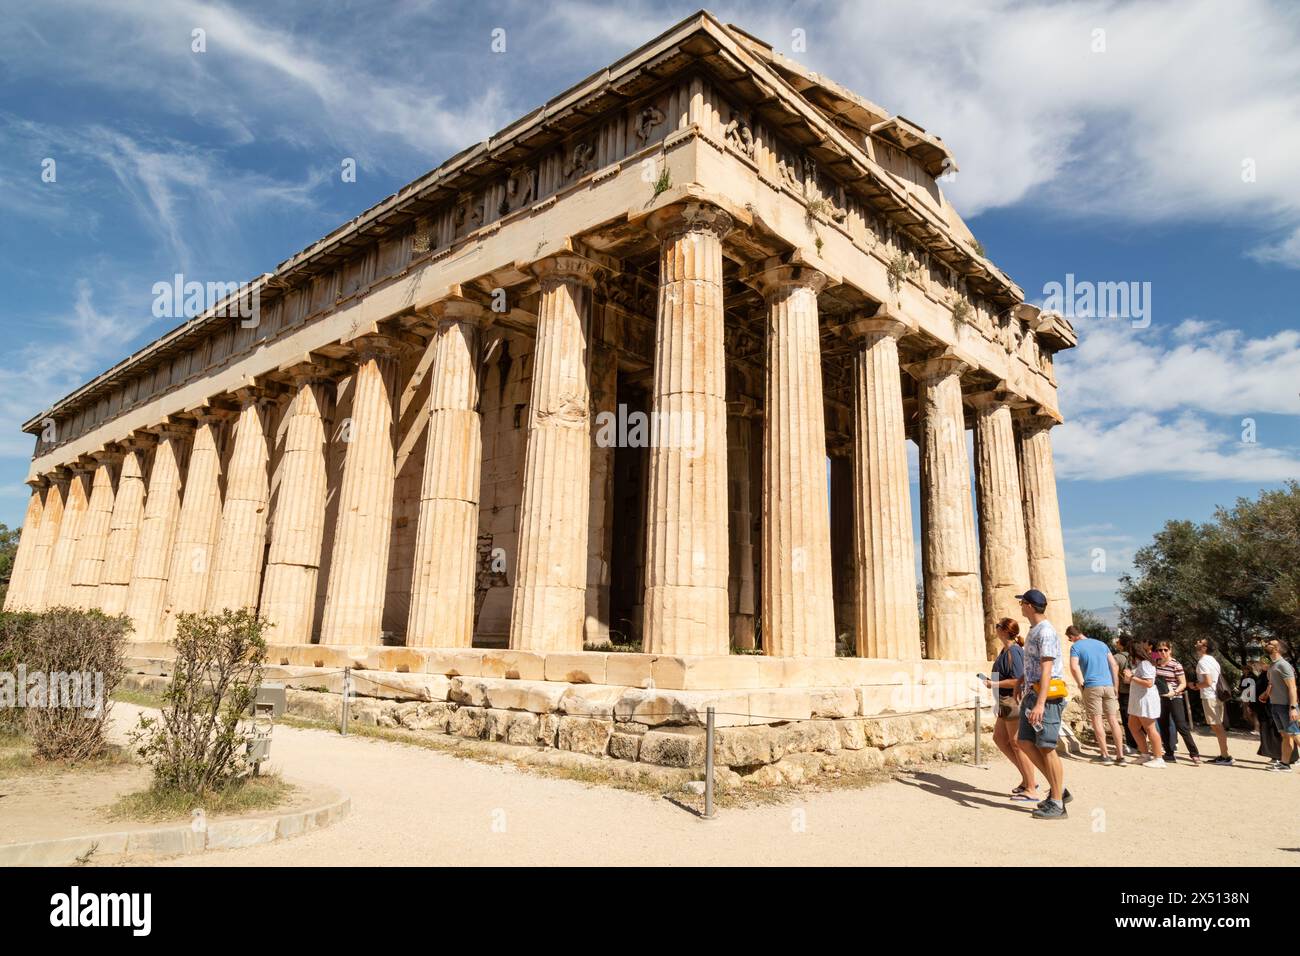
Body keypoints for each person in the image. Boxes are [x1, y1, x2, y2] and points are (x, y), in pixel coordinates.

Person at [1014, 588, 1070, 819]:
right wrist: (1021, 680)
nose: (1020, 607)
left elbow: (1047, 668)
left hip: (1045, 697)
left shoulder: (1045, 632)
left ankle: (1057, 803)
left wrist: (1040, 703)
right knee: (1024, 742)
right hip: (1032, 692)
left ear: (1029, 605)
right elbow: (1035, 664)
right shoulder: (1034, 630)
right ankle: (1059, 789)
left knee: (1046, 747)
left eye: (1022, 603)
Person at [982, 618, 1039, 801]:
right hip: (1004, 701)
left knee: (1016, 743)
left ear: (1005, 631)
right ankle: (1026, 777)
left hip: (1012, 701)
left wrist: (994, 683)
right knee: (999, 739)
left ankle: (1031, 787)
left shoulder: (1014, 652)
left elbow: (1017, 679)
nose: (995, 628)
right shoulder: (1005, 650)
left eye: (998, 626)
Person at [1067, 625, 1125, 765]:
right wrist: (1115, 685)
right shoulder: (1102, 644)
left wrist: (1081, 684)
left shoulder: (1076, 647)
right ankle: (1120, 756)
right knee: (1113, 720)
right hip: (1108, 685)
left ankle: (1104, 755)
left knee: (1096, 720)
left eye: (1070, 639)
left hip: (1092, 685)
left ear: (1072, 636)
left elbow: (1074, 667)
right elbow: (1114, 665)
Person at [1153, 641, 1200, 764]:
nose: (1162, 652)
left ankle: (1194, 754)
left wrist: (1174, 692)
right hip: (1160, 698)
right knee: (1163, 726)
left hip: (1175, 698)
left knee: (1181, 725)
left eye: (1165, 650)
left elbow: (1183, 683)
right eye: (1159, 650)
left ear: (1170, 650)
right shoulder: (1156, 663)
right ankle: (1169, 753)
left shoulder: (1176, 665)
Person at [1123, 641, 1166, 767]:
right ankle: (1145, 755)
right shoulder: (1139, 664)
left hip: (1146, 700)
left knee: (1150, 728)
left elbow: (1149, 683)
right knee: (1133, 726)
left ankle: (1159, 758)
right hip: (1137, 700)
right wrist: (1128, 677)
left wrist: (1131, 677)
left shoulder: (1146, 664)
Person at [1191, 639, 1232, 765]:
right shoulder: (1213, 660)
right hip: (1218, 696)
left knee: (1217, 727)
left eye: (1200, 642)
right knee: (1218, 726)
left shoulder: (1203, 662)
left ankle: (1226, 756)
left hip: (1210, 696)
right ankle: (1224, 755)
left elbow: (1207, 682)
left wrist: (1195, 685)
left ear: (1204, 648)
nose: (1196, 642)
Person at [1264, 638, 1300, 773]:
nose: (1267, 644)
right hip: (1275, 705)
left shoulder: (1283, 665)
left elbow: (1292, 687)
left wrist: (1293, 707)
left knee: (1295, 734)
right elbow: (1273, 684)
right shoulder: (1273, 665)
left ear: (1278, 648)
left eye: (1271, 643)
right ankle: (1285, 764)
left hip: (1286, 706)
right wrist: (1266, 694)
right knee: (1286, 735)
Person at [1113, 634, 1138, 750]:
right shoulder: (1135, 656)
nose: (1116, 643)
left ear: (1121, 644)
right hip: (1137, 689)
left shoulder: (1117, 657)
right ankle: (1141, 742)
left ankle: (1131, 744)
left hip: (1124, 691)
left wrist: (1115, 690)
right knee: (1138, 717)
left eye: (1118, 642)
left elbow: (1114, 675)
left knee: (1127, 719)